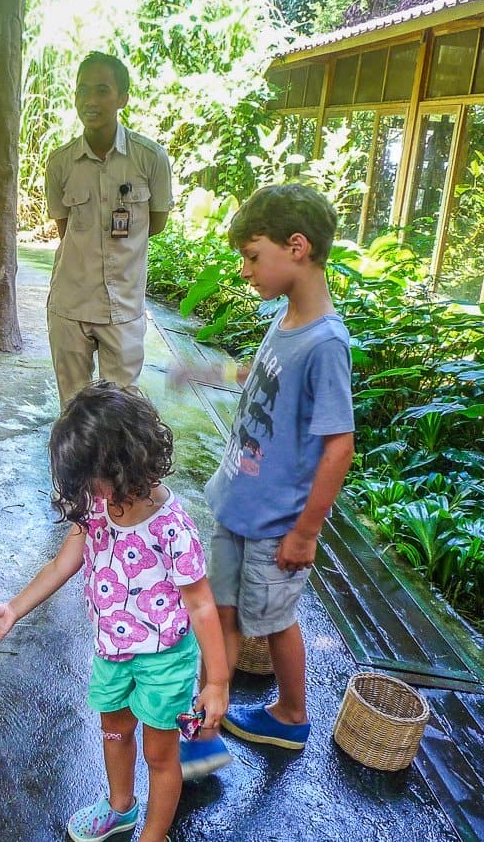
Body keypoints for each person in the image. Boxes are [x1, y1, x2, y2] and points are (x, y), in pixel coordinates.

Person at [0, 382, 229, 842]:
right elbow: (63, 563)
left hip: (163, 661)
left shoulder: (172, 528)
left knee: (160, 754)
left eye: (89, 476)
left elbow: (201, 603)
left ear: (124, 463)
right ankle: (121, 807)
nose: (84, 489)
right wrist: (13, 609)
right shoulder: (97, 505)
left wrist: (215, 682)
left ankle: (155, 834)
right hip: (111, 650)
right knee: (113, 731)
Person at [176, 183, 355, 764]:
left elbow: (339, 445)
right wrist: (211, 371)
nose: (247, 271)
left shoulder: (326, 343)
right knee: (220, 609)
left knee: (275, 620)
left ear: (296, 247)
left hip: (278, 520)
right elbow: (260, 374)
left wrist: (306, 531)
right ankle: (206, 723)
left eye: (254, 256)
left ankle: (291, 716)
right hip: (237, 501)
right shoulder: (285, 318)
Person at [45, 51, 173, 407]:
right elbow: (65, 228)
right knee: (73, 411)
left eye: (102, 90)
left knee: (121, 413)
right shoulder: (60, 163)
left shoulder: (150, 159)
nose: (90, 100)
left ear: (122, 98)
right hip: (71, 305)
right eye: (82, 90)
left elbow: (155, 223)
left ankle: (115, 466)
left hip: (123, 309)